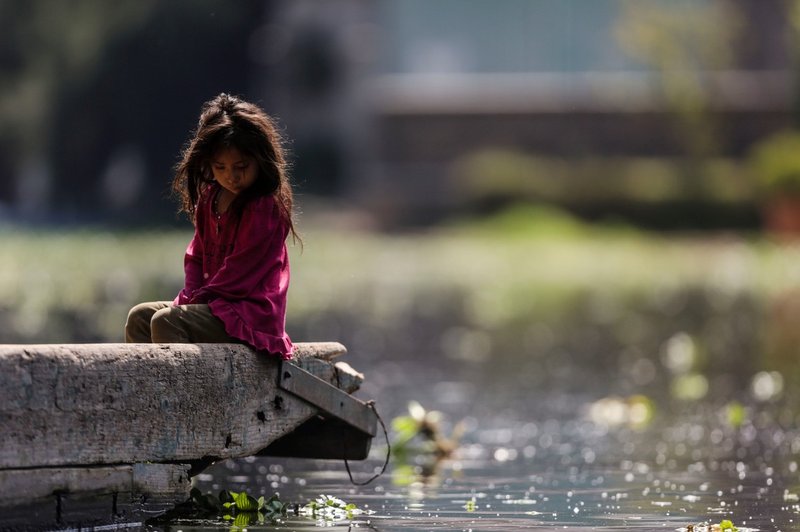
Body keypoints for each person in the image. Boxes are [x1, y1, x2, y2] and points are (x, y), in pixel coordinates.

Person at [125, 93, 298, 359]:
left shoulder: (264, 206)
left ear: (260, 160)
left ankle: (183, 397)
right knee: (139, 317)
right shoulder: (211, 199)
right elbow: (196, 257)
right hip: (214, 303)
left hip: (250, 313)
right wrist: (192, 294)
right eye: (221, 167)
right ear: (208, 165)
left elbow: (241, 272)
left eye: (242, 166)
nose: (232, 176)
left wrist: (195, 300)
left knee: (166, 321)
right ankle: (145, 395)